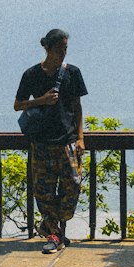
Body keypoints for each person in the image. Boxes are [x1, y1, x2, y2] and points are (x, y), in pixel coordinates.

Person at [14, 28, 88, 254]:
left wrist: (81, 138)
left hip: (68, 143)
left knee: (73, 186)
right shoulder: (31, 74)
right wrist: (41, 101)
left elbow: (77, 107)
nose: (63, 54)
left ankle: (51, 227)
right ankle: (55, 235)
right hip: (42, 144)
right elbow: (18, 104)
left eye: (65, 49)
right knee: (44, 192)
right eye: (59, 49)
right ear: (48, 48)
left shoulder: (72, 73)